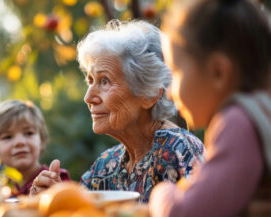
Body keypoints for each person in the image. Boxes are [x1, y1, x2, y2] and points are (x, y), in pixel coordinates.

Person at [30, 20, 205, 202]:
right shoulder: (106, 165)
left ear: (149, 95)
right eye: (90, 81)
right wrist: (56, 198)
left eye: (104, 81)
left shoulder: (180, 150)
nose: (88, 97)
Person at [149, 0, 271, 216]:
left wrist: (162, 192)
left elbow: (185, 213)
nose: (169, 91)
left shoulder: (237, 122)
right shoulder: (261, 113)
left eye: (176, 72)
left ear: (218, 73)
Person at [0, 100, 71, 196]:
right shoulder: (4, 189)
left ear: (41, 139)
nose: (20, 142)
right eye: (7, 137)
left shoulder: (54, 181)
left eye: (29, 133)